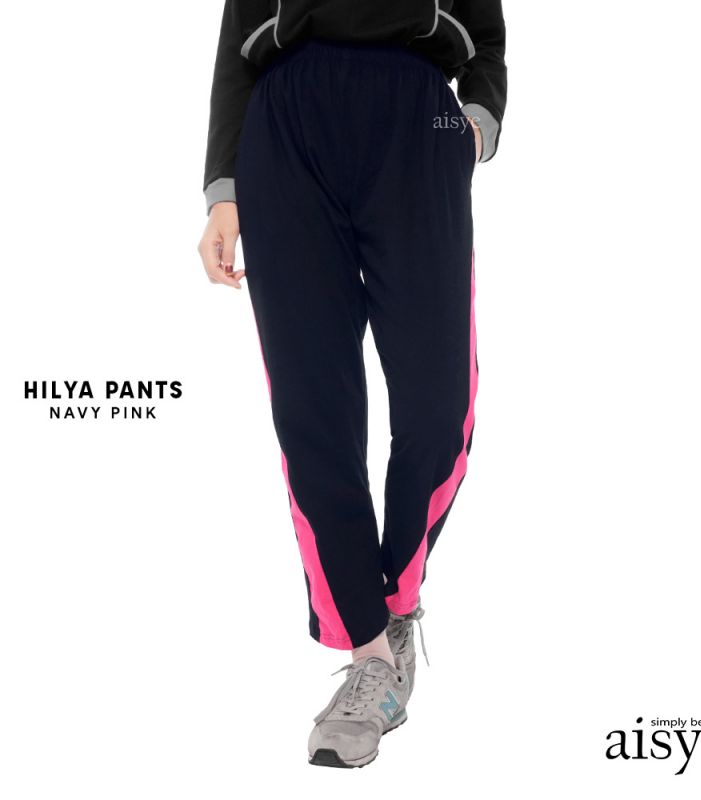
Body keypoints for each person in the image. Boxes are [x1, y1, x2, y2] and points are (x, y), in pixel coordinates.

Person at [197, 0, 507, 768]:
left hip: (419, 112)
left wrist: (473, 120)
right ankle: (370, 654)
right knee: (312, 409)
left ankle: (397, 599)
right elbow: (237, 43)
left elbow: (485, 36)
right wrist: (223, 187)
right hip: (285, 123)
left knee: (440, 403)